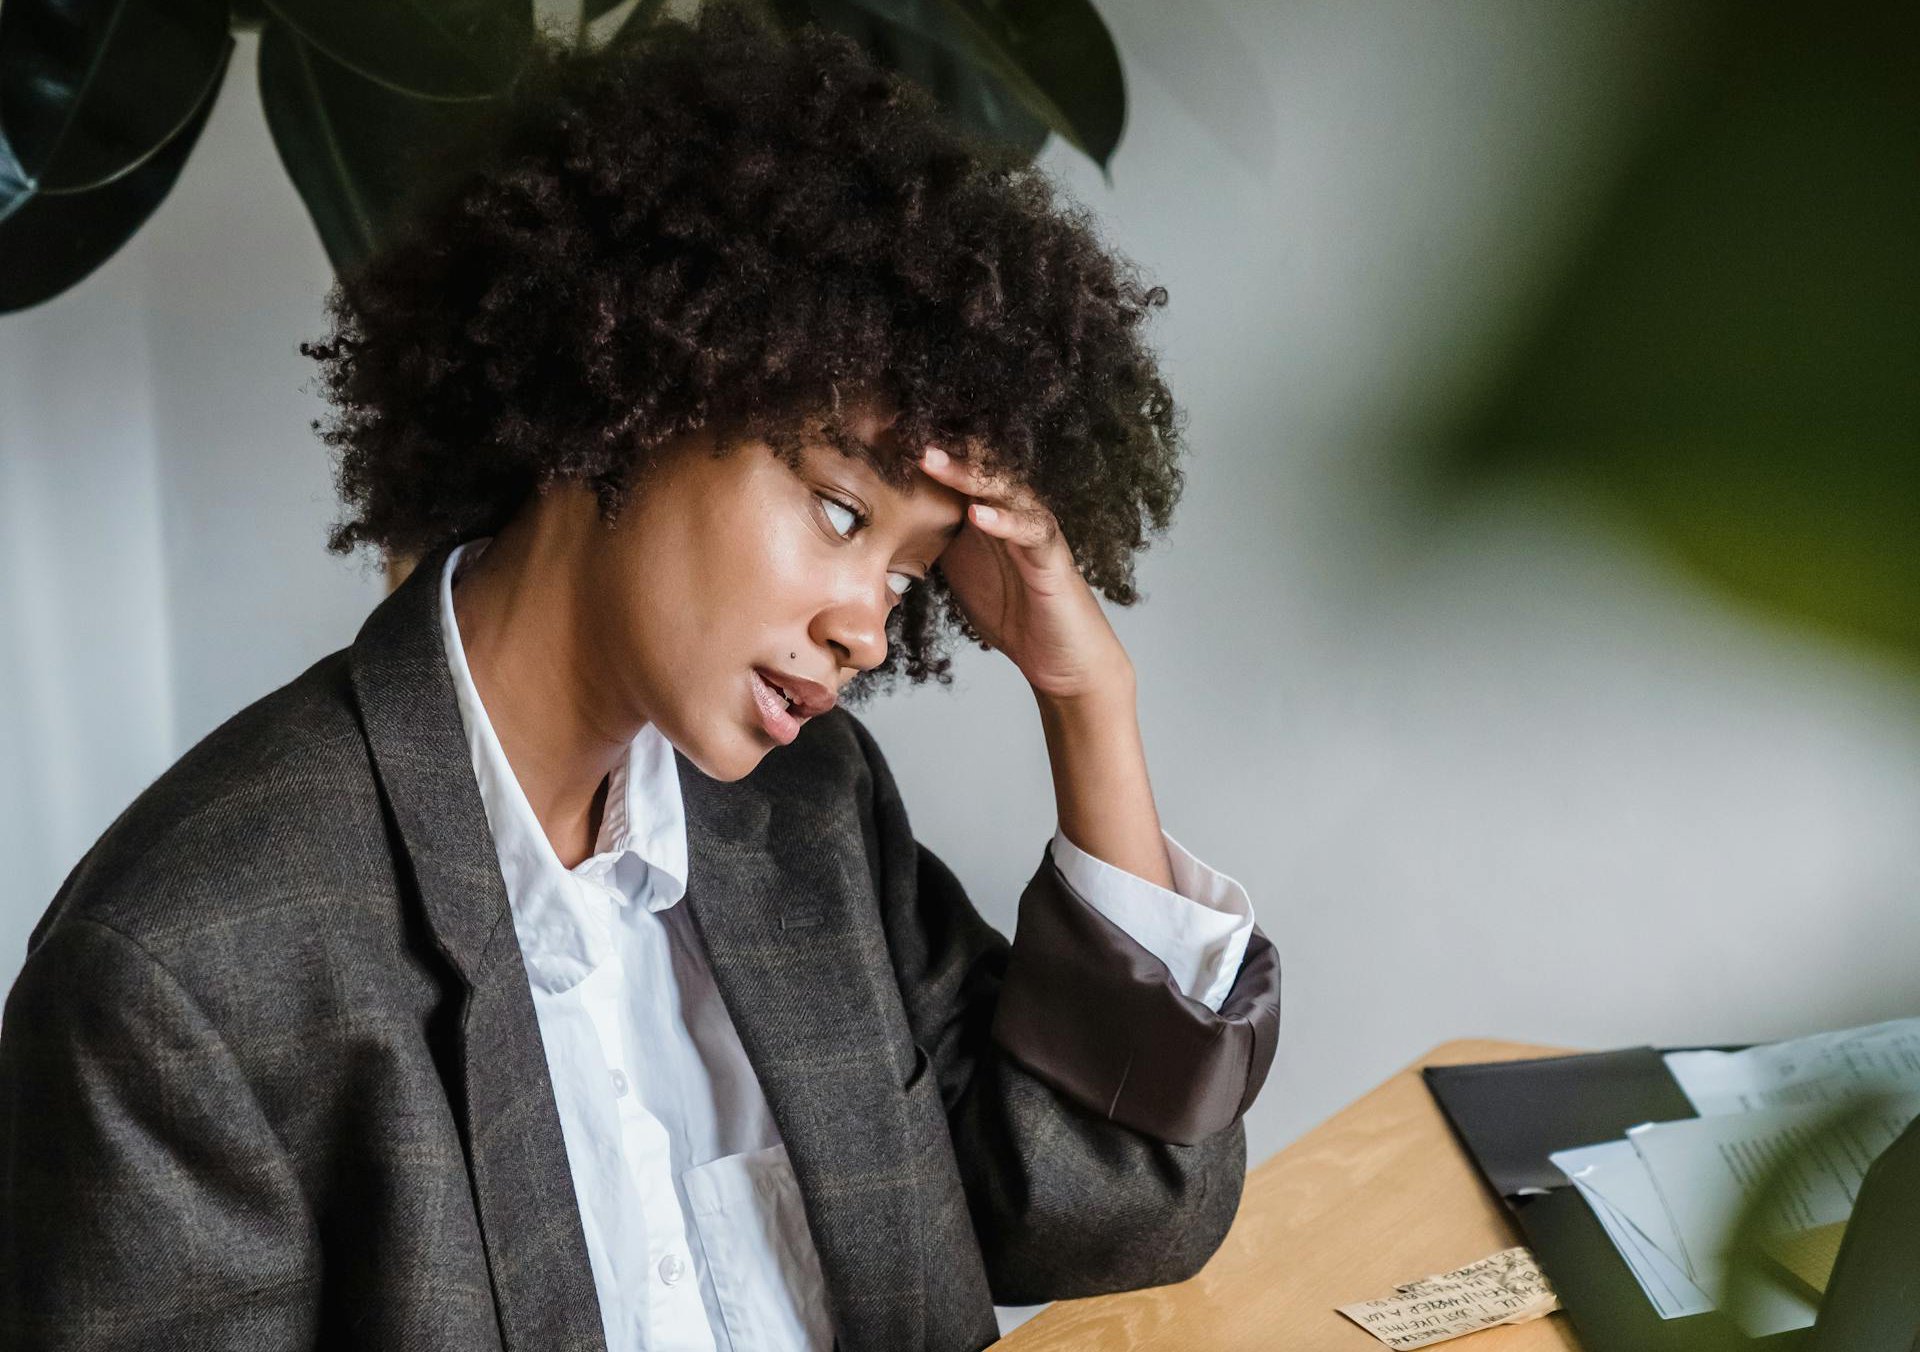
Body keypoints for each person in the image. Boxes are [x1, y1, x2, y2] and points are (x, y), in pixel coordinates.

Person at [0, 5, 1279, 1349]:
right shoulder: (182, 983)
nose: (868, 629)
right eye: (843, 513)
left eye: (911, 575)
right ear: (634, 390)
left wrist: (1091, 708)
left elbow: (1111, 1211)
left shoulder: (806, 812)